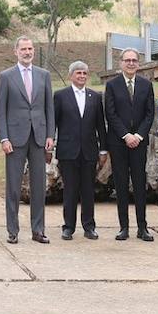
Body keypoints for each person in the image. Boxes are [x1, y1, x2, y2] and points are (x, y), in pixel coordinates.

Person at [0, 36, 54, 244]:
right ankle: (13, 230)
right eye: (23, 49)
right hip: (15, 138)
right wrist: (4, 137)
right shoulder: (6, 76)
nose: (27, 52)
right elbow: (0, 110)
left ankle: (38, 229)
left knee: (39, 186)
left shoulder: (44, 75)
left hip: (38, 137)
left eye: (30, 49)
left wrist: (50, 135)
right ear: (16, 52)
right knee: (13, 186)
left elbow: (49, 108)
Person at [103, 47, 155, 241]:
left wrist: (139, 135)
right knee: (122, 184)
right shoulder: (112, 85)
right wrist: (126, 135)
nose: (131, 63)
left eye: (134, 60)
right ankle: (123, 227)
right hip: (119, 142)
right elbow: (111, 114)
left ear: (138, 64)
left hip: (139, 144)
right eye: (127, 60)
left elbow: (150, 113)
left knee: (140, 184)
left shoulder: (146, 85)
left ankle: (143, 227)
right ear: (121, 63)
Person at [52, 60, 108, 240]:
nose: (82, 76)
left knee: (88, 190)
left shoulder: (95, 96)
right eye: (78, 73)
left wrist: (103, 150)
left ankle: (89, 226)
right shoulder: (60, 96)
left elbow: (101, 125)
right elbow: (54, 122)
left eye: (85, 73)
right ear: (71, 76)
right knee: (70, 190)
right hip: (68, 151)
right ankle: (68, 226)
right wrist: (50, 144)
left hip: (89, 151)